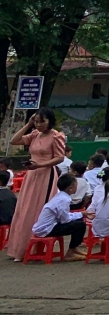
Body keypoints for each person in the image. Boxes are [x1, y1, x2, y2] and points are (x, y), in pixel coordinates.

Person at [5, 107, 68, 261]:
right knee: (24, 208)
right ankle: (19, 247)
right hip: (31, 174)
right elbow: (14, 141)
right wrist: (28, 125)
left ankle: (34, 247)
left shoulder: (56, 136)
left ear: (50, 121)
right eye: (37, 122)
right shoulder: (34, 134)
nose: (39, 125)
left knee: (37, 208)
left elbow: (60, 157)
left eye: (42, 122)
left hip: (45, 174)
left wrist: (40, 165)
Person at [29, 174, 87, 261]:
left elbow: (65, 216)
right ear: (70, 188)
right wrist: (81, 214)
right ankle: (70, 253)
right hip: (47, 229)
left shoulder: (60, 196)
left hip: (47, 226)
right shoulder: (64, 200)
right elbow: (65, 220)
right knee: (80, 225)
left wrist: (81, 214)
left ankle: (74, 248)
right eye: (76, 185)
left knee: (78, 219)